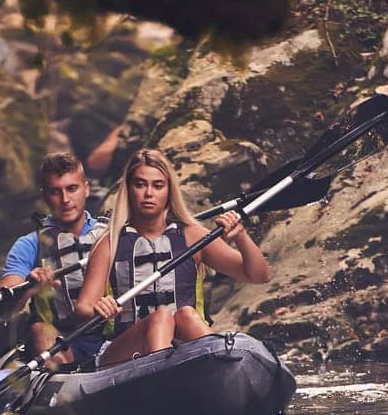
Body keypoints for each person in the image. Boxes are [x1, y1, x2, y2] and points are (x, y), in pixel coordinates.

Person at [75, 148, 269, 369]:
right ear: (129, 190)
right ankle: (167, 378)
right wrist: (98, 308)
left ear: (169, 191)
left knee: (187, 314)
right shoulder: (110, 242)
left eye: (157, 186)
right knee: (161, 316)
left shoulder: (192, 236)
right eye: (140, 184)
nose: (148, 193)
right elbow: (82, 308)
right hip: (123, 354)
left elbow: (260, 275)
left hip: (183, 343)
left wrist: (241, 236)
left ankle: (223, 369)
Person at [1, 152, 110, 370]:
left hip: (112, 334)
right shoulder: (29, 244)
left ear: (86, 189)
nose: (65, 200)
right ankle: (59, 380)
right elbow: (6, 299)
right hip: (61, 340)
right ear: (44, 195)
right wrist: (29, 288)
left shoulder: (110, 235)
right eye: (55, 192)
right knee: (39, 330)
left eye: (72, 189)